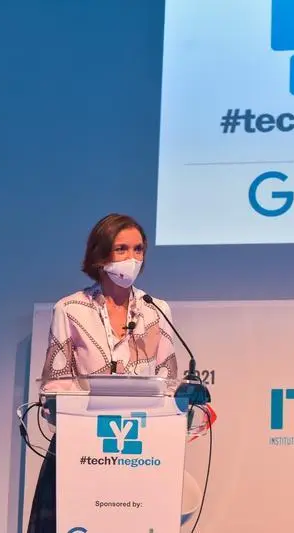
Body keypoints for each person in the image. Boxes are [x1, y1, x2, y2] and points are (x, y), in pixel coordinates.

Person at [27, 213, 178, 533]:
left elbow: (168, 382)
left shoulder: (157, 310)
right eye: (122, 249)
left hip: (141, 448)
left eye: (138, 249)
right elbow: (54, 385)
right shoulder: (70, 309)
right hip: (80, 445)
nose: (132, 258)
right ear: (100, 255)